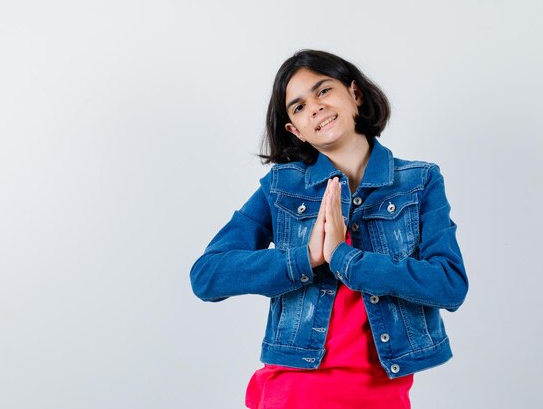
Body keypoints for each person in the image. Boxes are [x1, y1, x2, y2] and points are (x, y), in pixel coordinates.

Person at [190, 49, 468, 408]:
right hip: (294, 390)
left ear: (355, 94)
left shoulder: (419, 180)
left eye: (323, 91)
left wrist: (345, 258)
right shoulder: (280, 187)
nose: (315, 107)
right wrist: (306, 258)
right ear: (296, 131)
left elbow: (450, 285)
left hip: (382, 392)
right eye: (299, 107)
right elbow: (207, 275)